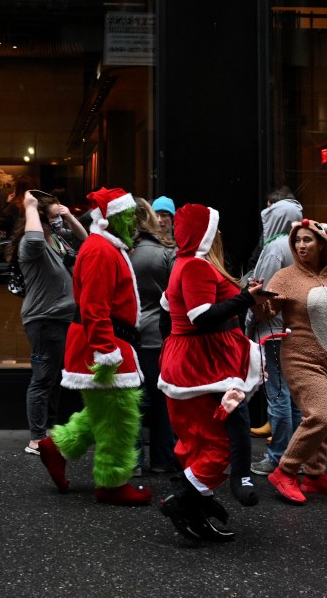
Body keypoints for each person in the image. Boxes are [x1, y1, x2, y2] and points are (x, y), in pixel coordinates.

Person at [34, 187, 153, 507]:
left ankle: (56, 447)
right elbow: (95, 307)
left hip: (106, 341)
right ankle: (112, 483)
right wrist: (106, 350)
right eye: (129, 218)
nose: (134, 225)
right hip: (105, 343)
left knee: (103, 410)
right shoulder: (101, 251)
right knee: (120, 414)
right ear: (112, 219)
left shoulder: (103, 246)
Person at [156, 204, 267, 542]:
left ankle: (196, 506)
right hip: (202, 367)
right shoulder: (195, 267)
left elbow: (168, 311)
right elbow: (200, 316)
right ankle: (182, 501)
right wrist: (246, 298)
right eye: (216, 230)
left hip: (195, 364)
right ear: (208, 234)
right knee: (219, 442)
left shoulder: (185, 264)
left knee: (199, 439)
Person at [253, 218, 327, 504]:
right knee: (318, 417)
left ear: (322, 244)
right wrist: (258, 301)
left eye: (307, 239)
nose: (301, 245)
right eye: (297, 240)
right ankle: (286, 470)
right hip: (301, 358)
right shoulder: (285, 276)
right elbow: (268, 313)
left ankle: (316, 476)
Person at [13, 190, 86, 456]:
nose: (59, 221)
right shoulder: (32, 244)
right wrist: (30, 206)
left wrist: (68, 217)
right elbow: (33, 237)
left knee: (53, 377)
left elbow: (86, 242)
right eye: (54, 216)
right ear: (41, 217)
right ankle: (37, 438)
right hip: (44, 318)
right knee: (43, 378)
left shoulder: (56, 239)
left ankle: (49, 431)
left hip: (60, 318)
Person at [245, 190, 305, 478]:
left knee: (278, 394)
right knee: (292, 395)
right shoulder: (304, 244)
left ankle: (278, 456)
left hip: (272, 330)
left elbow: (261, 293)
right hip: (296, 329)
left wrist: (248, 322)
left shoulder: (274, 248)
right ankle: (295, 455)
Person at [129, 196, 177, 474]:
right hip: (160, 335)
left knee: (134, 397)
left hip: (132, 332)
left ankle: (134, 461)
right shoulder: (167, 253)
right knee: (162, 400)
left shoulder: (127, 251)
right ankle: (162, 459)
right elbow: (173, 297)